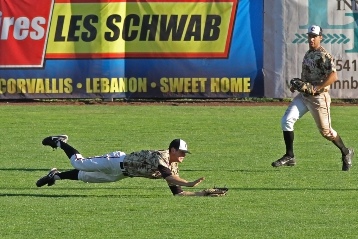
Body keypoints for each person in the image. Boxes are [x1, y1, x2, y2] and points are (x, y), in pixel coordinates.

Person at [271, 25, 354, 171]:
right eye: (310, 36)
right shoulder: (308, 53)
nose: (311, 38)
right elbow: (306, 77)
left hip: (318, 98)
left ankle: (346, 152)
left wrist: (319, 86)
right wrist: (297, 86)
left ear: (320, 37)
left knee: (326, 132)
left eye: (314, 36)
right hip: (304, 97)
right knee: (286, 120)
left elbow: (334, 76)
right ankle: (290, 155)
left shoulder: (324, 55)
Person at [36, 135, 209, 196]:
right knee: (78, 163)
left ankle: (55, 176)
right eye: (181, 152)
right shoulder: (162, 157)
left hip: (121, 174)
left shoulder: (173, 168)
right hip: (116, 161)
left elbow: (178, 194)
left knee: (86, 176)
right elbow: (170, 178)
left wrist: (202, 194)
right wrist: (189, 183)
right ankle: (59, 142)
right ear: (172, 150)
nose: (183, 156)